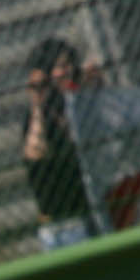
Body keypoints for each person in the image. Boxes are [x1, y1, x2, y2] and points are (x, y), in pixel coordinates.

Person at [18, 38, 103, 245]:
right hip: (63, 221)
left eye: (69, 65)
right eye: (59, 67)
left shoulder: (79, 104)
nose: (66, 72)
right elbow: (34, 155)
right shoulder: (40, 116)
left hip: (95, 209)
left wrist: (96, 88)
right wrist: (37, 104)